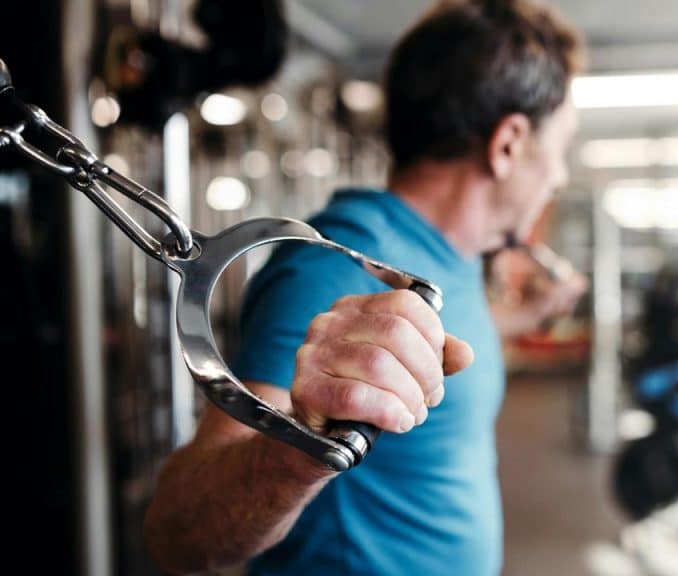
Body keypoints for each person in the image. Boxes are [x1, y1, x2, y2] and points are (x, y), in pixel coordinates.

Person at [143, 1, 585, 574]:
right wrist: (300, 448)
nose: (560, 174)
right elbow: (179, 532)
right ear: (509, 143)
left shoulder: (446, 257)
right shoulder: (335, 269)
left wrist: (530, 317)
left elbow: (444, 355)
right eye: (561, 148)